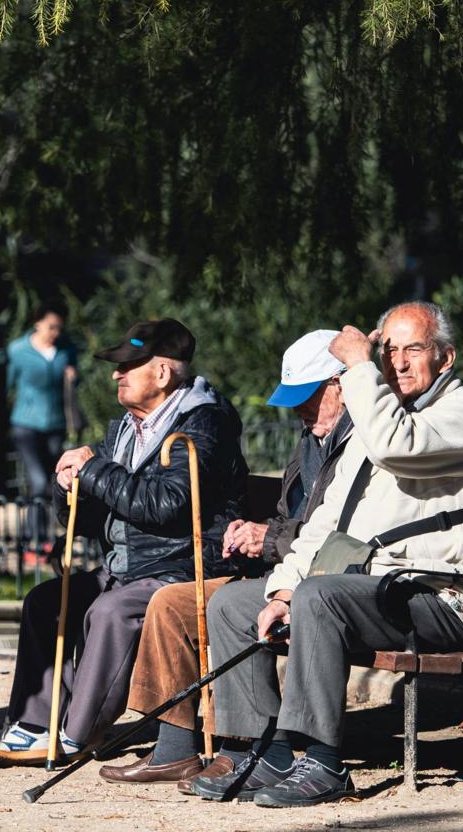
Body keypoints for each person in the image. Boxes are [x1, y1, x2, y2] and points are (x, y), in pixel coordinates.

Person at [191, 301, 463, 808]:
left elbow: (394, 447)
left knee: (321, 595)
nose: (397, 362)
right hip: (370, 592)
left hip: (438, 599)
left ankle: (322, 761)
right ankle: (263, 749)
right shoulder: (379, 423)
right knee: (234, 604)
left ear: (445, 359)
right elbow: (324, 523)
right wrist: (284, 588)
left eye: (413, 349)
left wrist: (359, 365)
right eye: (390, 350)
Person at [0, 318, 248, 766]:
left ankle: (77, 733)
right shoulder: (125, 429)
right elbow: (93, 516)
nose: (117, 374)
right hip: (129, 567)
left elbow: (168, 503)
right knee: (46, 600)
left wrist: (95, 470)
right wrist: (68, 484)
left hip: (183, 567)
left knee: (110, 610)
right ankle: (34, 725)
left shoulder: (206, 424)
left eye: (130, 365)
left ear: (163, 373)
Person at [99, 329, 353, 788]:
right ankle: (176, 748)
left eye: (309, 398)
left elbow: (341, 533)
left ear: (340, 384)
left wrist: (270, 538)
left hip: (327, 577)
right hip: (285, 568)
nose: (301, 410)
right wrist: (260, 534)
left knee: (206, 602)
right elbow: (289, 516)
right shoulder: (310, 440)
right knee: (173, 604)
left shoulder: (358, 441)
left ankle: (250, 746)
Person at [7, 301, 78, 544]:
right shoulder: (18, 350)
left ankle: (44, 535)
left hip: (55, 424)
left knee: (51, 482)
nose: (55, 333)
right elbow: (6, 385)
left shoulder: (66, 350)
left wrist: (73, 378)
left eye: (59, 328)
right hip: (26, 424)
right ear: (38, 323)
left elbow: (74, 383)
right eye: (51, 327)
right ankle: (32, 537)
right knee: (37, 481)